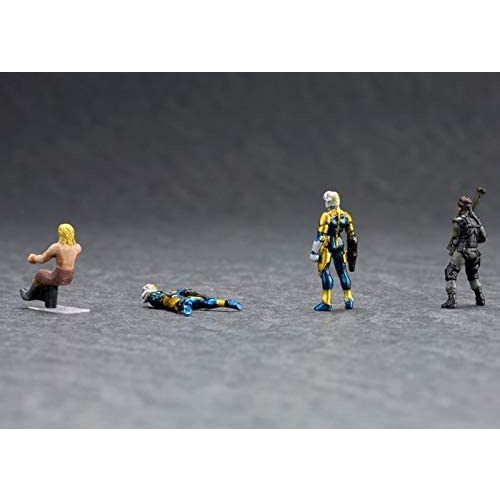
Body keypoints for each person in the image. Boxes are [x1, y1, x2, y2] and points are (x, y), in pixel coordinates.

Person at [309, 191, 358, 311]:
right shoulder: (346, 216)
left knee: (324, 271)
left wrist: (314, 252)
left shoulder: (326, 216)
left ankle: (326, 302)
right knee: (342, 271)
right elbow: (352, 236)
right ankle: (349, 299)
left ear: (329, 202)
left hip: (327, 246)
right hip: (339, 246)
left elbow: (321, 236)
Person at [20, 223, 81, 308]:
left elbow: (42, 259)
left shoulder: (57, 247)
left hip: (58, 276)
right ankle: (47, 299)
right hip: (69, 276)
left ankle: (29, 295)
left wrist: (33, 258)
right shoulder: (77, 247)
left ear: (60, 233)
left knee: (40, 274)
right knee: (48, 279)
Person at [442, 196, 487, 309]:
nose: (457, 208)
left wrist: (454, 245)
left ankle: (451, 300)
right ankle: (480, 297)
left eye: (459, 206)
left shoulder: (458, 221)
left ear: (461, 208)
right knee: (473, 276)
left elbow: (456, 237)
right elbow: (483, 238)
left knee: (450, 272)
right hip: (474, 253)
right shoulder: (476, 221)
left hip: (462, 251)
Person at [141, 284, 242, 316]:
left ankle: (185, 303)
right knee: (205, 302)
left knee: (169, 301)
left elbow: (167, 296)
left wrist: (180, 292)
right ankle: (226, 303)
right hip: (178, 299)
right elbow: (169, 295)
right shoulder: (155, 295)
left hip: (175, 299)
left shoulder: (153, 296)